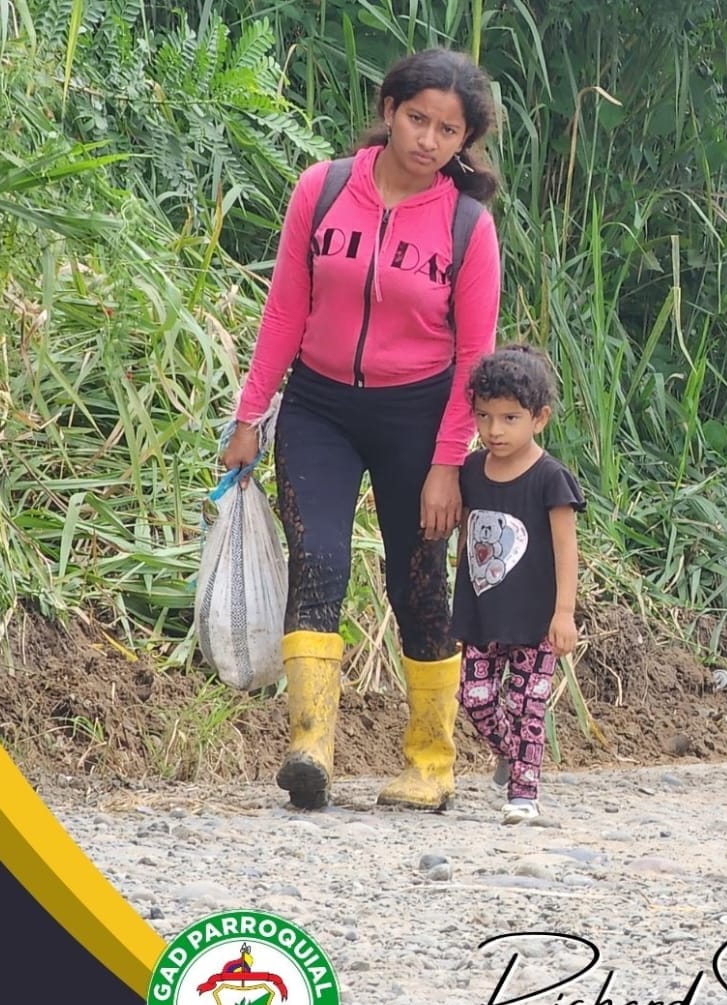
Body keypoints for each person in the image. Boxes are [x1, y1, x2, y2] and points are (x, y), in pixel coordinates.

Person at [220, 48, 502, 811]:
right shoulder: (323, 189)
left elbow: (473, 358)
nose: (428, 140)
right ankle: (310, 747)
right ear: (388, 110)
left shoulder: (468, 227)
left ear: (464, 140)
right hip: (318, 408)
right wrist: (250, 416)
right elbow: (285, 309)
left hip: (418, 415)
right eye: (417, 119)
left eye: (448, 130)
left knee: (417, 582)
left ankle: (430, 762)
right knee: (317, 559)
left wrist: (448, 462)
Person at [451, 345, 584, 824]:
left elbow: (566, 549)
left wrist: (564, 614)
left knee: (528, 705)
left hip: (535, 620)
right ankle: (512, 754)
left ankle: (524, 794)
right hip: (483, 613)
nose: (495, 430)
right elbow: (469, 534)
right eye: (485, 417)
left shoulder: (551, 478)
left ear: (539, 419)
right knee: (475, 698)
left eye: (510, 418)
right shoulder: (470, 470)